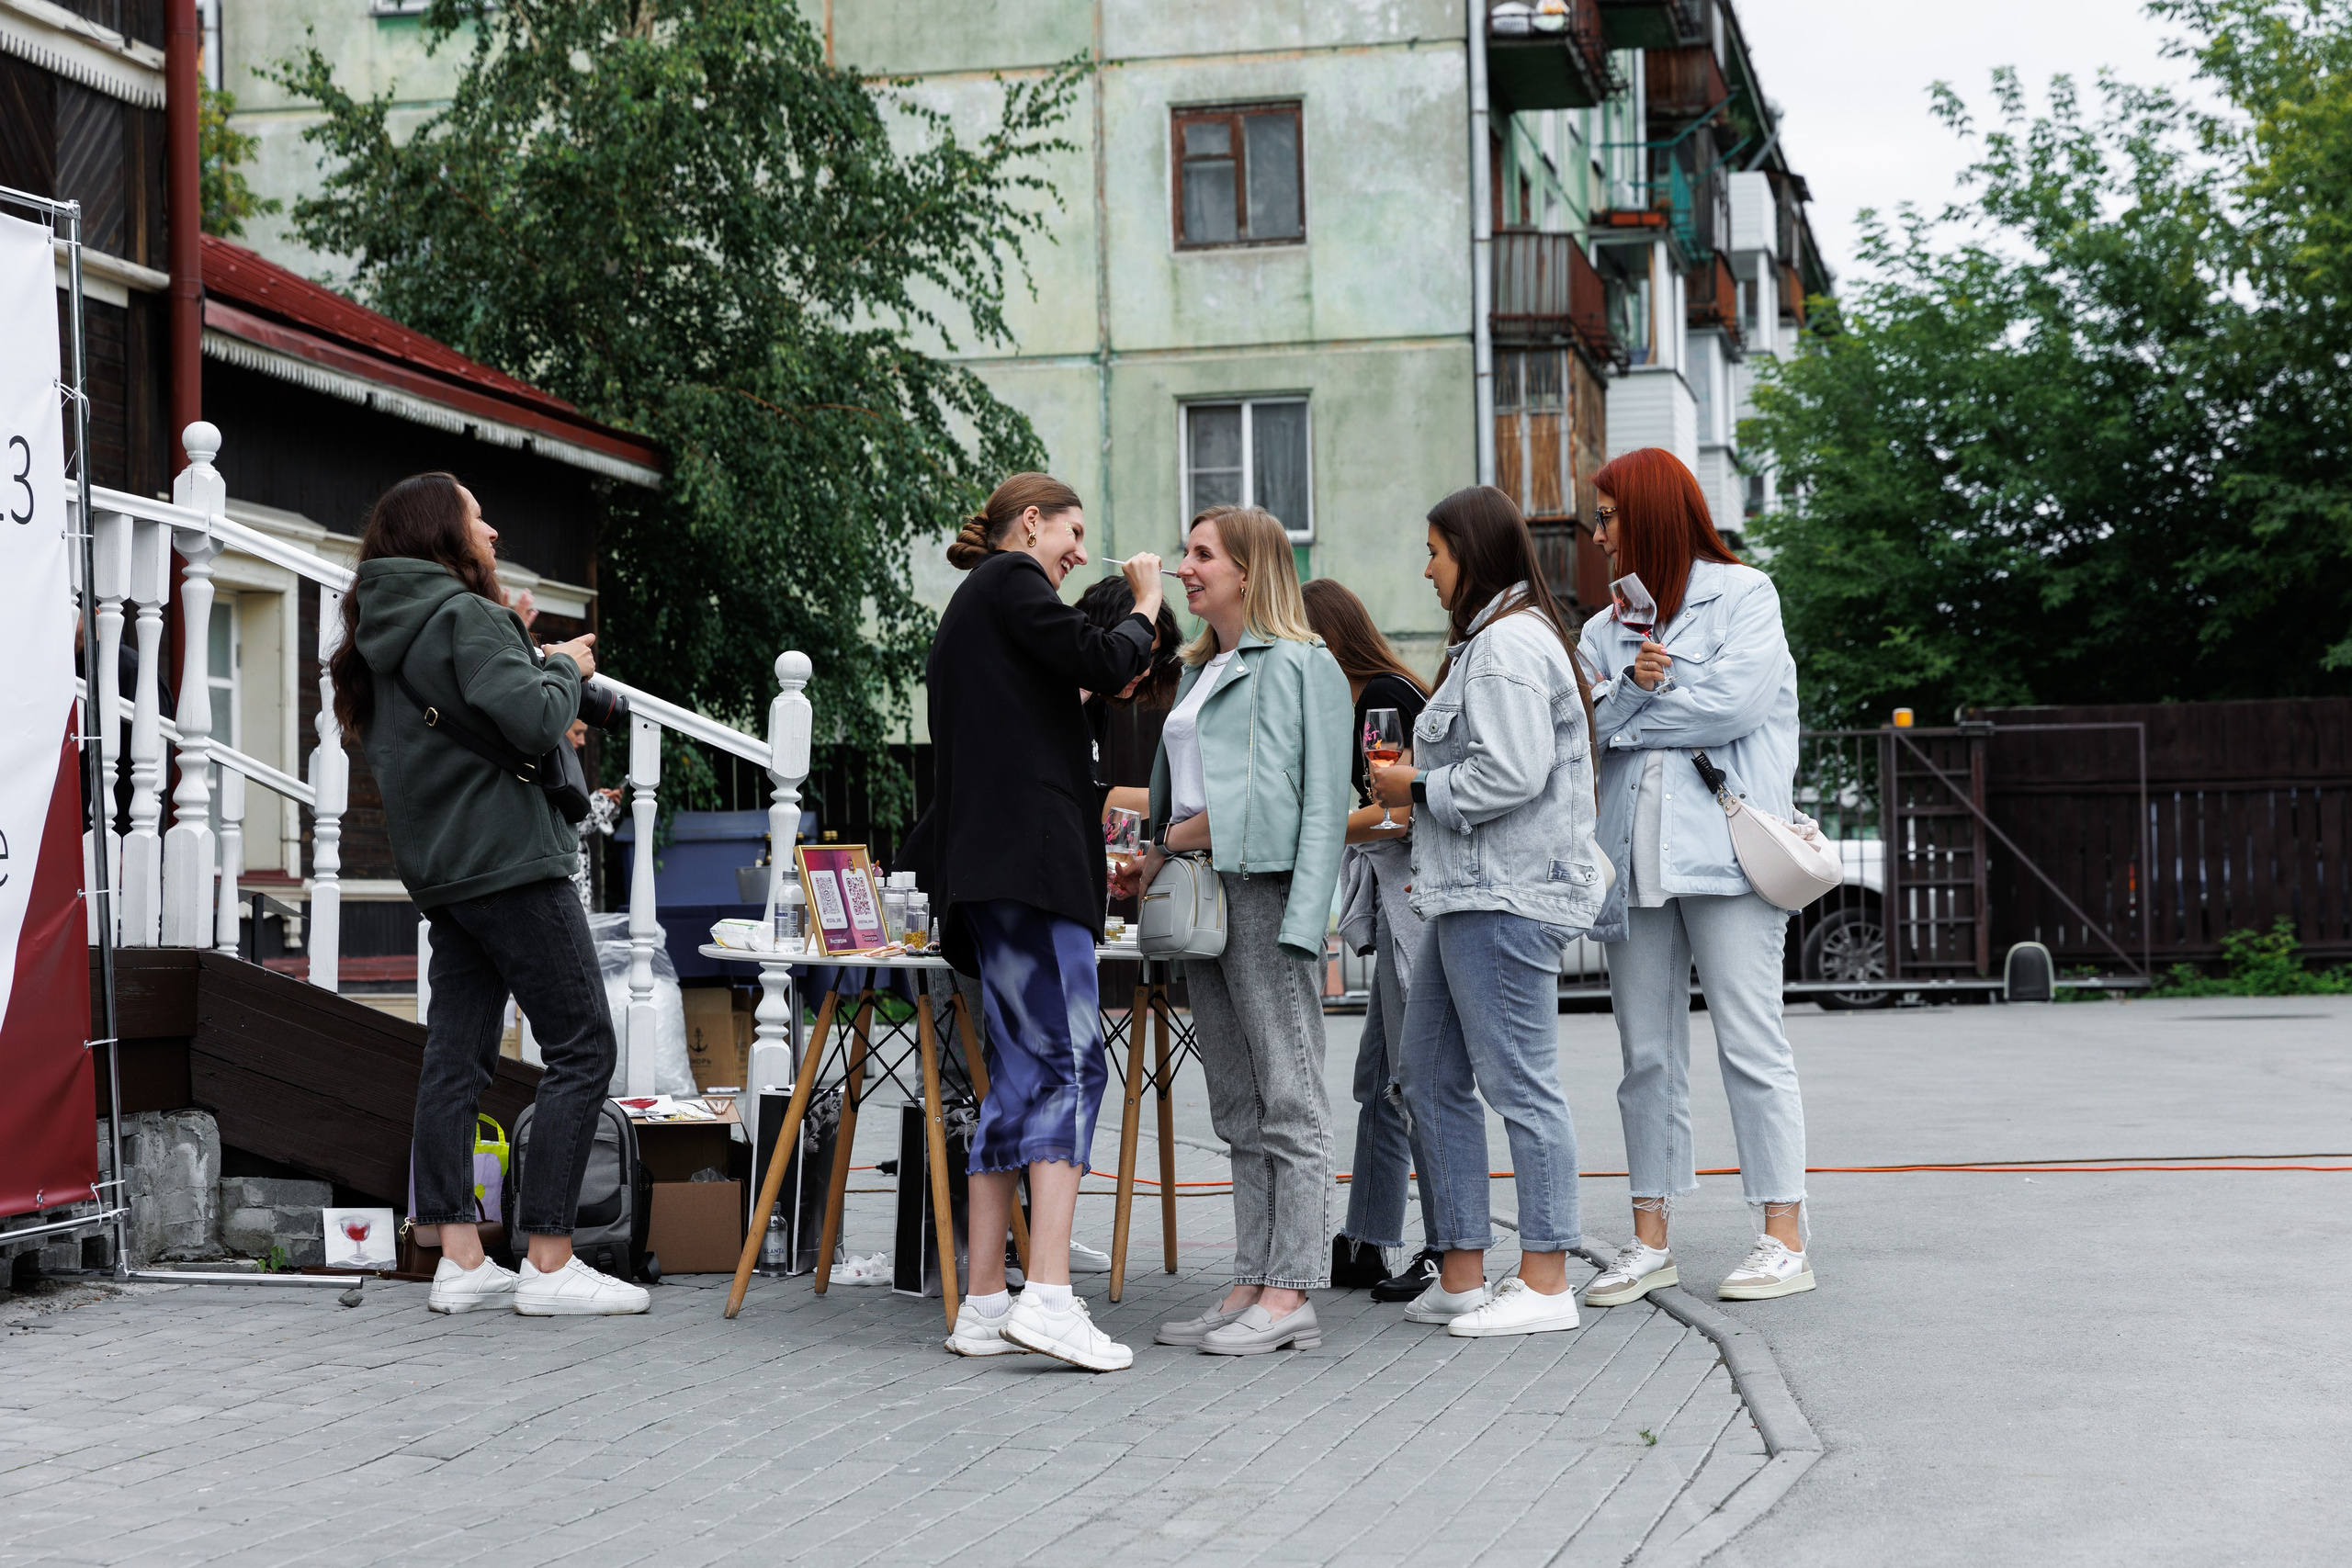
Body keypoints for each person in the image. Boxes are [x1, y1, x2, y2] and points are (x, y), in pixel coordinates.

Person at [332, 472, 647, 1316]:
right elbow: (538, 722)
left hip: (446, 875)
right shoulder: (466, 617)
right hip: (512, 864)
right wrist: (563, 665)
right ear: (442, 533)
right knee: (584, 1044)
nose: (494, 531)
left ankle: (460, 1255)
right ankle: (548, 1258)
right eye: (478, 517)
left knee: (457, 1058)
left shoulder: (380, 635)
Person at [907, 472, 1164, 1371]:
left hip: (990, 876)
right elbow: (1104, 657)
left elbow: (1062, 684)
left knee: (1018, 1080)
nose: (1078, 552)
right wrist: (1146, 600)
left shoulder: (978, 607)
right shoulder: (1011, 579)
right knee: (1068, 1065)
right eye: (1072, 532)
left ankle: (984, 1300)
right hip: (1031, 870)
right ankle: (1048, 1293)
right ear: (1029, 523)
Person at [1572, 447, 1814, 1307]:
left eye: (1607, 516)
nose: (1597, 534)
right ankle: (1649, 1239)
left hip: (1730, 857)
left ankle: (1784, 1235)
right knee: (1645, 1054)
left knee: (1750, 1041)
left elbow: (1732, 706)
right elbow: (1579, 730)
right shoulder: (1601, 629)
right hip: (1634, 858)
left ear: (1647, 514)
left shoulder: (1745, 594)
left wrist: (1631, 705)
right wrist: (1630, 698)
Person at [1368, 485, 1609, 1338]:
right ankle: (1464, 1272)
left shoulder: (1505, 644)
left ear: (1469, 554)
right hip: (1471, 892)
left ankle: (1546, 1279)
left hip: (1505, 893)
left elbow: (1511, 771)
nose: (1427, 569)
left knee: (1519, 1084)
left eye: (1435, 552)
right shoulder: (1495, 638)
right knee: (1426, 1073)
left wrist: (1417, 784)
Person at [1114, 505, 1351, 1358]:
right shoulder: (1200, 668)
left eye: (1202, 554)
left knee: (1289, 1094)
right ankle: (1254, 1277)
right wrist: (1157, 852)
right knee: (1236, 1101)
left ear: (1248, 570)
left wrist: (1307, 923)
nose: (1185, 566)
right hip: (1203, 890)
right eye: (1185, 553)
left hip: (1264, 891)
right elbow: (1183, 790)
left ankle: (1292, 1290)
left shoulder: (1304, 664)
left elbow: (1322, 804)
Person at [1299, 578, 1441, 1301]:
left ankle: (1448, 1245)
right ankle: (1365, 1237)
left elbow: (1402, 809)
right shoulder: (1366, 697)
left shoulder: (1382, 697)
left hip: (1416, 902)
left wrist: (1315, 830)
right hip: (1397, 903)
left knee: (1417, 1079)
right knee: (1380, 1077)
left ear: (1325, 639)